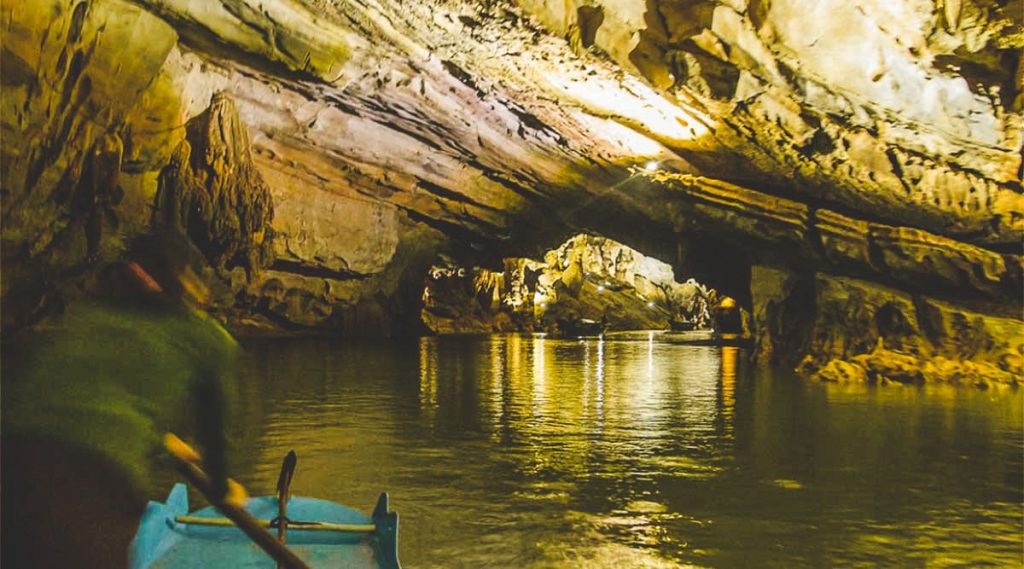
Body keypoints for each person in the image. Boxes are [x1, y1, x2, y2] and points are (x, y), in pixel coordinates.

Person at [1, 231, 239, 567]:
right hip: (93, 484)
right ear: (186, 282)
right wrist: (221, 487)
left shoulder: (87, 317)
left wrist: (161, 441)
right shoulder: (203, 337)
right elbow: (214, 432)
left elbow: (89, 398)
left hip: (12, 468)